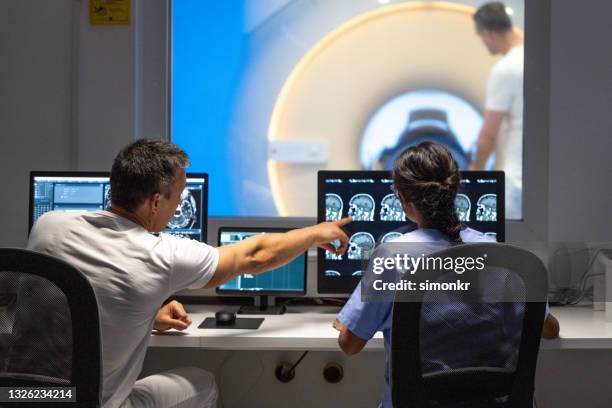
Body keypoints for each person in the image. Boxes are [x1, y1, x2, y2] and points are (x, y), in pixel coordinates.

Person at [27, 139, 351, 408]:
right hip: (100, 403)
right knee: (203, 382)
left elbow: (80, 298)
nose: (178, 205)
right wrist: (314, 233)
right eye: (179, 197)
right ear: (155, 202)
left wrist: (146, 314)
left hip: (25, 397)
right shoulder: (161, 256)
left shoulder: (48, 226)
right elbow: (255, 255)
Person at [333, 142, 559, 408]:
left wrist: (350, 320)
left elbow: (350, 345)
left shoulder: (393, 257)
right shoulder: (502, 259)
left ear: (404, 200)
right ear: (453, 191)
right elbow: (550, 330)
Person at [469, 2, 524, 220]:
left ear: (489, 33)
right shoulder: (536, 59)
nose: (483, 42)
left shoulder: (506, 69)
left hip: (517, 176)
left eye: (480, 37)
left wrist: (476, 171)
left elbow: (488, 135)